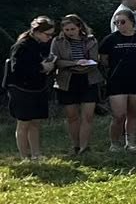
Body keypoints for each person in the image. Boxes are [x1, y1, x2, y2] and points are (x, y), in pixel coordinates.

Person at [99, 10, 136, 150]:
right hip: (117, 81)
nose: (119, 25)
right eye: (116, 22)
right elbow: (103, 59)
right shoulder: (110, 39)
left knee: (133, 113)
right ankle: (114, 143)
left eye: (122, 22)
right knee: (119, 115)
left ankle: (131, 142)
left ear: (132, 22)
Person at [6, 17, 57, 160]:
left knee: (36, 122)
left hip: (37, 87)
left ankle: (36, 154)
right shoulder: (21, 46)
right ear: (37, 32)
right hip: (21, 89)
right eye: (47, 34)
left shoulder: (42, 44)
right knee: (23, 123)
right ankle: (24, 157)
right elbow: (17, 69)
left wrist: (49, 67)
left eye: (51, 35)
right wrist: (41, 67)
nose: (50, 38)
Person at [50, 15, 99, 156]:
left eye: (72, 29)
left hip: (88, 79)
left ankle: (85, 146)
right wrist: (74, 63)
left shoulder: (91, 40)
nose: (70, 32)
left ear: (79, 27)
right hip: (67, 80)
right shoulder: (57, 41)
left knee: (88, 115)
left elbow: (94, 60)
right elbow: (56, 61)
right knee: (72, 116)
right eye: (67, 30)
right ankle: (76, 145)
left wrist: (85, 64)